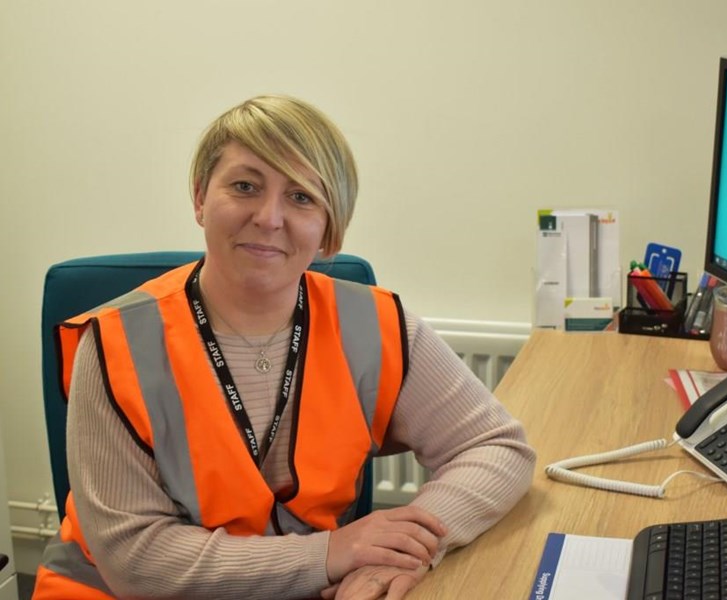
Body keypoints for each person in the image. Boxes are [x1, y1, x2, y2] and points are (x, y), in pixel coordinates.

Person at [32, 95, 536, 599]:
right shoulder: (114, 344)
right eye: (245, 186)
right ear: (201, 198)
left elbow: (496, 447)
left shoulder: (377, 325)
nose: (269, 217)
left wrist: (401, 552)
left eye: (301, 197)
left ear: (329, 229)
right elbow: (135, 562)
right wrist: (330, 554)